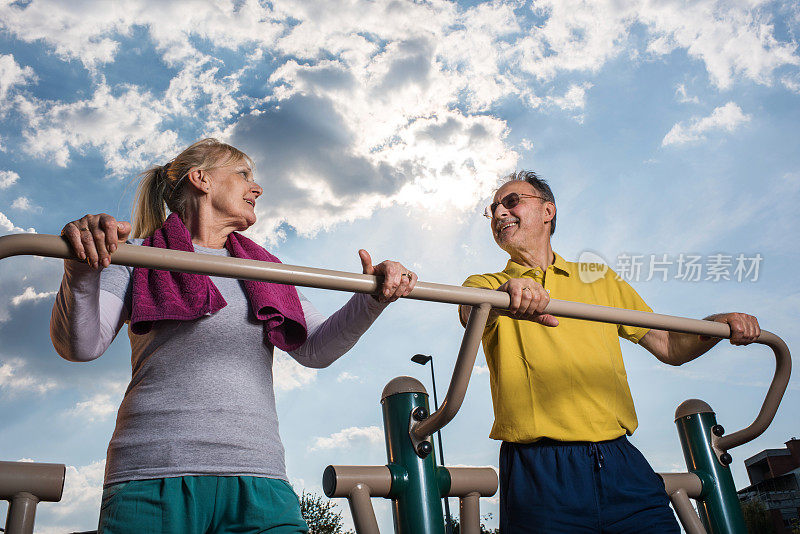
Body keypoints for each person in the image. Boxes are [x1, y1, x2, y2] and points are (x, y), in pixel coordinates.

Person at [50, 138, 418, 534]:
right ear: (201, 179)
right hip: (152, 473)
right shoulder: (135, 254)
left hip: (259, 476)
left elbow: (315, 349)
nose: (256, 188)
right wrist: (81, 269)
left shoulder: (266, 270)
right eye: (243, 174)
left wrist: (372, 299)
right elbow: (81, 346)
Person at [459, 171, 761, 533]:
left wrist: (718, 325)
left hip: (621, 462)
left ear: (547, 211)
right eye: (493, 209)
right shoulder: (486, 285)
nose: (499, 214)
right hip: (538, 469)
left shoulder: (597, 278)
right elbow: (468, 313)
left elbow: (667, 344)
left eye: (511, 202)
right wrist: (508, 295)